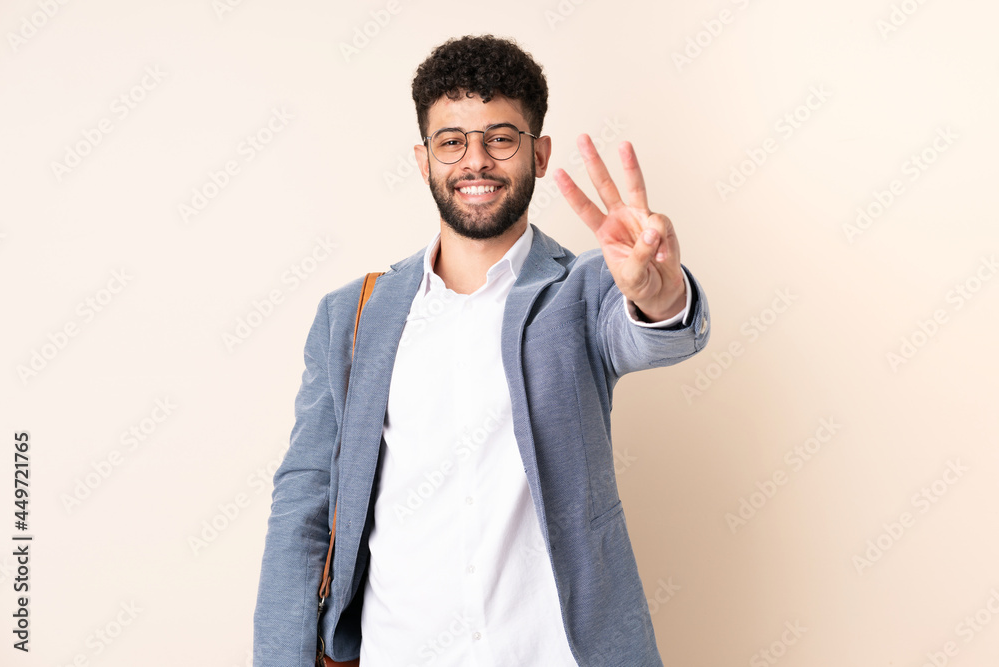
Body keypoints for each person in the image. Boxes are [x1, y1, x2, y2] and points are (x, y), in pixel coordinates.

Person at [254, 34, 710, 667]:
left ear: (539, 153)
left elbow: (649, 334)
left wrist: (660, 298)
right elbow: (304, 499)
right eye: (452, 141)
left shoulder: (583, 289)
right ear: (423, 160)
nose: (476, 161)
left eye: (500, 137)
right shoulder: (352, 318)